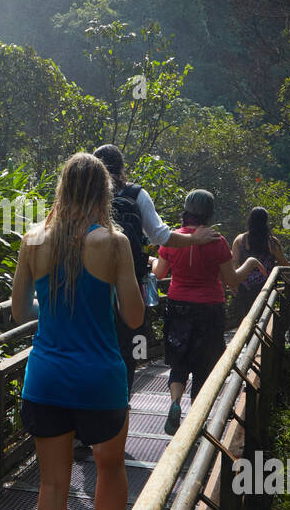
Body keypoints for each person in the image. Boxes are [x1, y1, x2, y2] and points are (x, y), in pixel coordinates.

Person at [12, 152, 143, 510]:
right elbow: (134, 316)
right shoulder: (115, 243)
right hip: (100, 381)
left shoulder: (33, 240)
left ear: (62, 188)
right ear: (103, 192)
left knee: (52, 484)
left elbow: (19, 312)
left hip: (45, 379)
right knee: (109, 470)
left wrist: (55, 314)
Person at [92, 144, 218, 395]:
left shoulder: (86, 194)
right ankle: (120, 401)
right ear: (122, 167)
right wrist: (194, 239)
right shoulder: (137, 194)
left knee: (92, 340)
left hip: (90, 281)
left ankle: (87, 407)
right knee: (127, 342)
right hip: (128, 282)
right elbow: (161, 236)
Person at [154, 190, 269, 435]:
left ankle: (175, 403)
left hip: (177, 307)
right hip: (209, 310)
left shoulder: (172, 239)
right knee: (204, 367)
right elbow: (232, 281)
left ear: (186, 210)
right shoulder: (217, 242)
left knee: (179, 362)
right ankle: (197, 422)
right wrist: (249, 264)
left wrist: (151, 261)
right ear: (209, 213)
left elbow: (159, 274)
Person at [230, 207, 289, 323]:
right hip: (265, 287)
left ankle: (246, 340)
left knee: (245, 319)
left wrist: (233, 284)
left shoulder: (240, 240)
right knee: (263, 319)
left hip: (244, 285)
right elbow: (284, 264)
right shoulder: (272, 242)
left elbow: (234, 263)